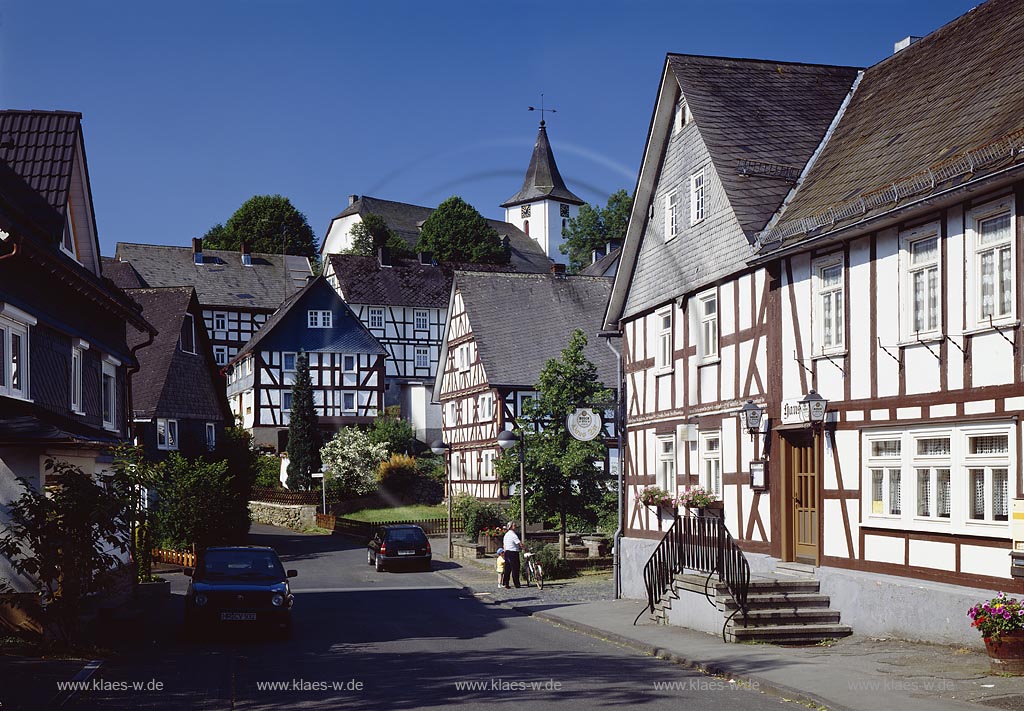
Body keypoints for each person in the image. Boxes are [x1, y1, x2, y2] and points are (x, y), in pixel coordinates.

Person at [501, 521, 522, 588]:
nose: (515, 527)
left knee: (507, 569)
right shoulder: (513, 535)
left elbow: (504, 545)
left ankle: (505, 583)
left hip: (507, 552)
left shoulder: (506, 535)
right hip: (513, 552)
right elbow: (519, 543)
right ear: (511, 527)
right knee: (515, 568)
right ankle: (516, 583)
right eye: (514, 526)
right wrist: (525, 548)